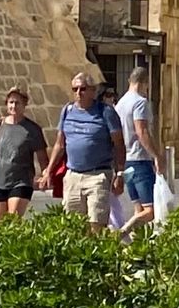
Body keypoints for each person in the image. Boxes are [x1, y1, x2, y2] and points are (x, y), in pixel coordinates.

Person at [50, 71, 124, 231]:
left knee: (96, 224)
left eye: (82, 89)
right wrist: (48, 171)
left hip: (98, 175)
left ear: (93, 91)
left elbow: (118, 144)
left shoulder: (106, 112)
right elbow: (59, 144)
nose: (78, 93)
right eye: (75, 89)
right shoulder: (67, 111)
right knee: (73, 226)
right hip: (73, 176)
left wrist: (120, 173)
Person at [0, 87, 48, 219]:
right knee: (2, 224)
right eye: (11, 102)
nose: (13, 106)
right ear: (7, 104)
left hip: (21, 181)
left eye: (17, 103)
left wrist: (45, 175)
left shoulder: (33, 129)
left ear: (24, 105)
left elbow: (42, 158)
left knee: (12, 220)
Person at [115, 63, 166, 235]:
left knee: (139, 208)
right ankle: (122, 232)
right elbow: (141, 131)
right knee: (150, 211)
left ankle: (136, 244)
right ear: (144, 83)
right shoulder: (140, 103)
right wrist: (157, 155)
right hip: (140, 160)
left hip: (126, 161)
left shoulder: (120, 104)